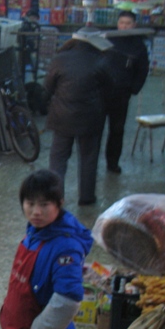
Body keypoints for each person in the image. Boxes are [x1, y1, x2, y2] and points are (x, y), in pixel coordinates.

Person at [0, 170, 93, 329]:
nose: (36, 212)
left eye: (44, 205)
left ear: (59, 203)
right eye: (30, 204)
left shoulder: (66, 246)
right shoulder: (35, 232)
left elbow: (68, 299)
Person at [45, 26, 114, 206]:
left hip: (62, 117)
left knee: (58, 159)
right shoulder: (101, 61)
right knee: (88, 159)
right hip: (90, 118)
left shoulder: (59, 59)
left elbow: (48, 87)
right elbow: (110, 89)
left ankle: (55, 198)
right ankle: (86, 197)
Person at [103, 10, 150, 174]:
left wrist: (133, 88)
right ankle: (91, 164)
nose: (124, 26)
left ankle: (112, 163)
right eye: (121, 23)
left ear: (134, 25)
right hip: (101, 92)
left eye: (128, 23)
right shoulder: (107, 39)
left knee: (117, 130)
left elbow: (143, 70)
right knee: (95, 129)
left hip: (122, 94)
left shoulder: (138, 46)